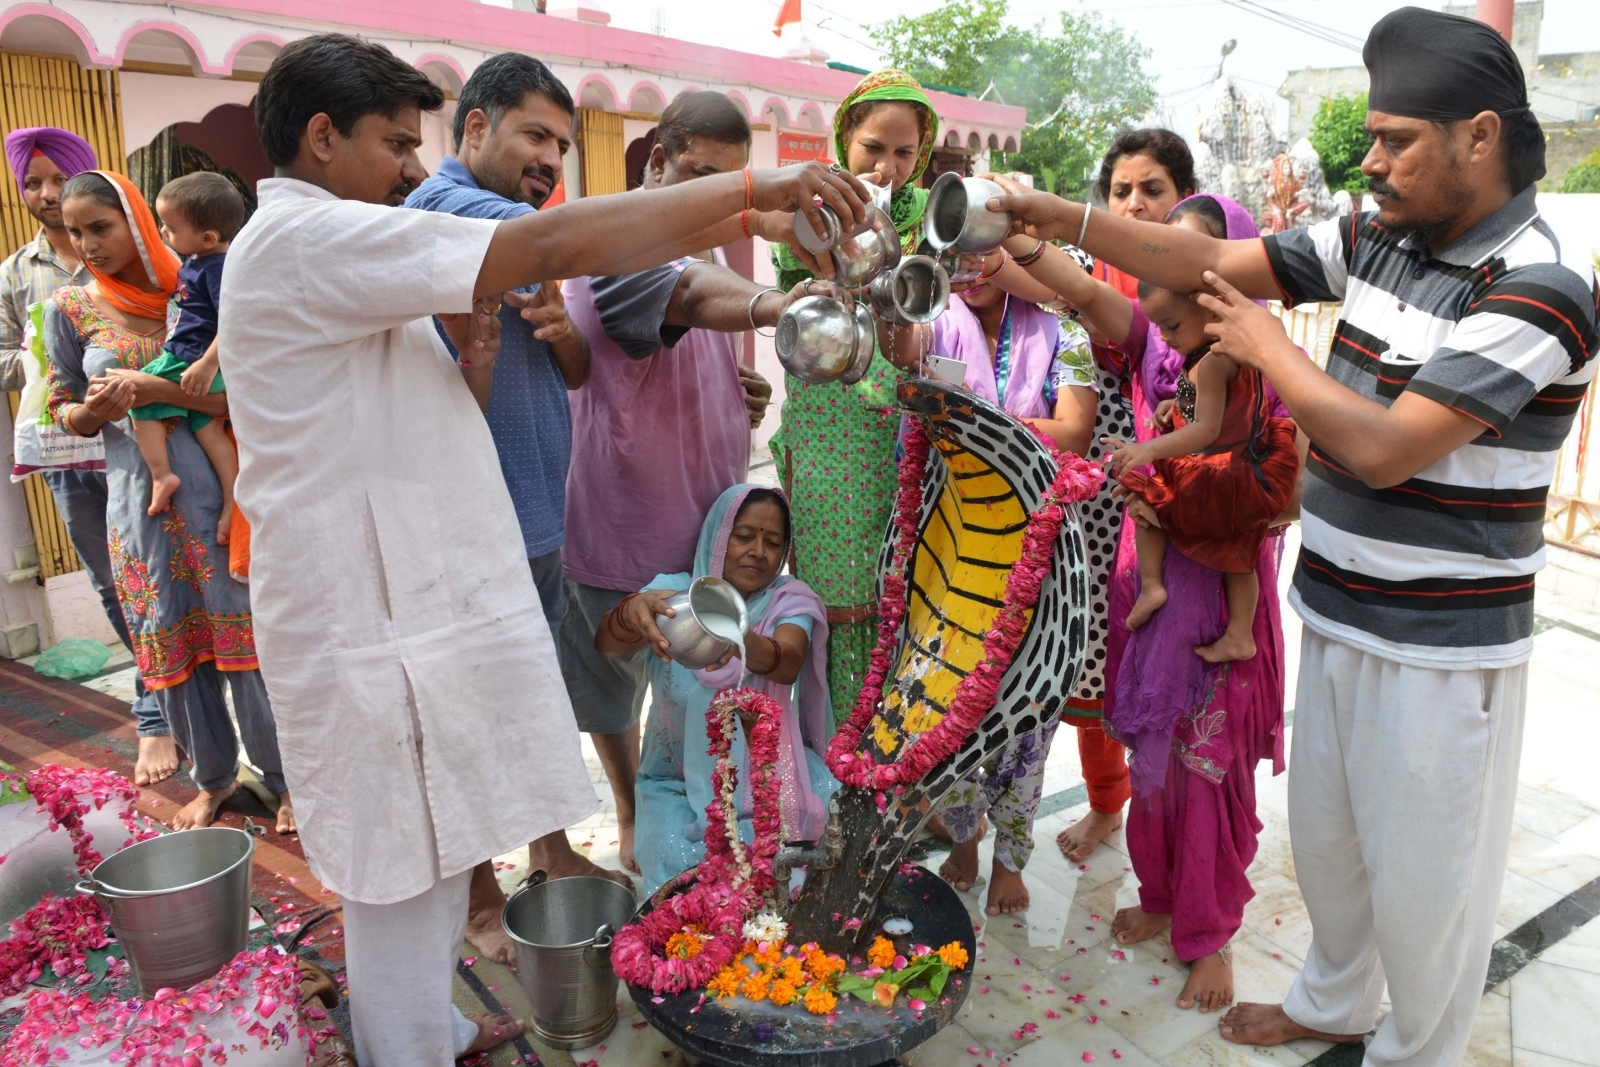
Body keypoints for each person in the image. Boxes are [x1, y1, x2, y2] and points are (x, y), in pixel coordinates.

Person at [221, 34, 869, 1064]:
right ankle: (409, 1046)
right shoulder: (310, 237)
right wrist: (752, 196)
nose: (406, 167)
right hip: (361, 622)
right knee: (397, 864)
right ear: (320, 136)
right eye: (395, 143)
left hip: (410, 613)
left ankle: (429, 1025)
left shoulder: (343, 240)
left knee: (433, 846)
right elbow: (552, 247)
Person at [989, 8, 1598, 1061]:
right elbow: (1205, 251)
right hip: (1337, 607)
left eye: (1394, 138)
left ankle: (1420, 1048)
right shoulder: (1377, 236)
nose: (1367, 160)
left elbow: (1382, 447)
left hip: (1440, 648)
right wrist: (1045, 211)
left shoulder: (1542, 289)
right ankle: (1330, 1002)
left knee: (1425, 886)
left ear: (1480, 136)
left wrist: (1267, 346)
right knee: (1332, 846)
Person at [998, 188, 1294, 1014]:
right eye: (1155, 265)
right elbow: (1088, 289)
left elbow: (1283, 481)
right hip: (1148, 579)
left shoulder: (1258, 363)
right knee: (1155, 757)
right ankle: (1163, 893)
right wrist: (1025, 230)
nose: (1156, 286)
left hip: (1220, 584)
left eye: (1180, 266)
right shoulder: (1151, 347)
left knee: (1208, 761)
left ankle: (1211, 933)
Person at [560, 89, 831, 884]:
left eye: (729, 181)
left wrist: (731, 387)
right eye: (700, 173)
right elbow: (685, 299)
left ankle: (685, 796)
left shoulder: (700, 244)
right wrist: (779, 305)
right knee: (619, 690)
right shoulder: (622, 238)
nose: (714, 194)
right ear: (658, 161)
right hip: (628, 527)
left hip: (704, 525)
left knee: (692, 686)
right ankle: (633, 810)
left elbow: (679, 338)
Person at [404, 51, 615, 965]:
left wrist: (568, 331)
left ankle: (551, 848)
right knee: (468, 716)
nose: (549, 158)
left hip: (536, 513)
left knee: (530, 700)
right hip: (463, 526)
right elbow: (564, 239)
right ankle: (481, 890)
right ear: (476, 126)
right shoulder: (443, 214)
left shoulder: (524, 232)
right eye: (534, 134)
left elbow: (572, 370)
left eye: (561, 144)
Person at [42, 170, 292, 834]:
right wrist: (90, 410)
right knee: (174, 646)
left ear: (140, 223)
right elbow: (58, 410)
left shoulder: (200, 288)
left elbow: (245, 391)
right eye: (76, 232)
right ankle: (212, 780)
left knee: (251, 645)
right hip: (142, 509)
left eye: (101, 226)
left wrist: (168, 393)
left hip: (224, 500)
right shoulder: (69, 308)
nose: (88, 244)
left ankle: (287, 777)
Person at [922, 264, 1100, 914]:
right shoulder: (931, 322)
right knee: (951, 702)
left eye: (983, 246)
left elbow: (1075, 430)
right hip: (955, 543)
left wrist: (979, 422)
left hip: (1041, 549)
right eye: (956, 249)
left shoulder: (1065, 330)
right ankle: (966, 835)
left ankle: (1009, 858)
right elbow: (936, 426)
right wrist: (1024, 426)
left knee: (1032, 708)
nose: (968, 265)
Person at [0, 128, 171, 786]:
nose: (42, 194)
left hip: (143, 441)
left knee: (167, 568)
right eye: (30, 184)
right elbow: (10, 359)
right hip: (68, 446)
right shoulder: (17, 272)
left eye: (53, 179)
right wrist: (46, 353)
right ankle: (155, 695)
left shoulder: (137, 257)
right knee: (111, 582)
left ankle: (173, 698)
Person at [769, 70, 935, 728]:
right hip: (825, 426)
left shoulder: (935, 218)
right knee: (835, 596)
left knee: (905, 594)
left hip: (901, 426)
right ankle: (833, 771)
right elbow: (792, 279)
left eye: (904, 153)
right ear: (844, 140)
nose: (887, 166)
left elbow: (922, 337)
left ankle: (896, 774)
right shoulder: (809, 207)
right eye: (872, 147)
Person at [1049, 130, 1197, 866]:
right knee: (1090, 650)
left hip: (1184, 493)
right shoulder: (1086, 267)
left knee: (1169, 661)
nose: (1135, 203)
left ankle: (1175, 836)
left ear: (1186, 200)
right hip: (1097, 489)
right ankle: (1110, 804)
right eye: (1120, 191)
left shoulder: (1206, 282)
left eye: (1153, 189)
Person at [596, 484, 836, 895]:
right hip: (673, 784)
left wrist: (734, 635)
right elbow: (606, 644)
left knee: (801, 866)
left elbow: (789, 661)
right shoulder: (674, 595)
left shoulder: (788, 600)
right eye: (744, 536)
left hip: (773, 780)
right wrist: (630, 613)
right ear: (718, 535)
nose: (758, 551)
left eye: (773, 542)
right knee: (684, 875)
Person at [1105, 274, 1299, 663]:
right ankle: (1240, 633)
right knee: (1238, 554)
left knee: (1147, 503)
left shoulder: (1211, 363)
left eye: (1172, 325)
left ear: (1209, 310)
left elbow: (1206, 429)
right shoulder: (1233, 353)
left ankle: (1152, 585)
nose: (1163, 336)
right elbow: (1224, 410)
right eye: (1158, 326)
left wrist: (1147, 449)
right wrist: (1172, 408)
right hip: (1243, 466)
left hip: (1217, 473)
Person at [129, 172, 245, 537]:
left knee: (137, 397)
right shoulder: (200, 259)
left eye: (170, 227)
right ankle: (232, 500)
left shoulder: (217, 268)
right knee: (210, 432)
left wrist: (207, 364)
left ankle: (162, 475)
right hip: (198, 358)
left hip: (191, 358)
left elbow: (235, 320)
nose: (164, 233)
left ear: (208, 237)